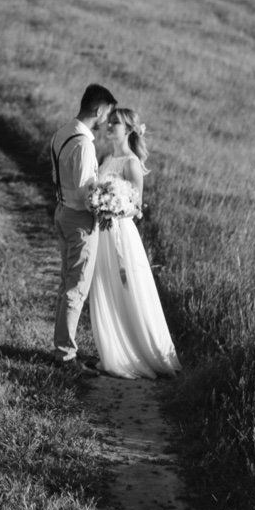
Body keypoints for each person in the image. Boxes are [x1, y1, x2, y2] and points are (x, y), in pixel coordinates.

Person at [88, 108, 181, 379]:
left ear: (128, 129)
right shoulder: (106, 159)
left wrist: (113, 206)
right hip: (102, 233)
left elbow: (137, 207)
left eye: (115, 123)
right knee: (107, 288)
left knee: (130, 290)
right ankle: (113, 353)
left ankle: (144, 353)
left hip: (121, 234)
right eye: (109, 122)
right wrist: (99, 202)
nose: (109, 126)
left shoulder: (131, 163)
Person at [50, 83, 117, 376]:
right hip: (79, 219)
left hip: (62, 211)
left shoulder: (62, 132)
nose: (107, 119)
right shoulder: (84, 144)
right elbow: (84, 193)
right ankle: (66, 356)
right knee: (76, 288)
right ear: (98, 110)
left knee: (67, 283)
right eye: (107, 113)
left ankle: (62, 347)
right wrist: (106, 205)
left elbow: (57, 177)